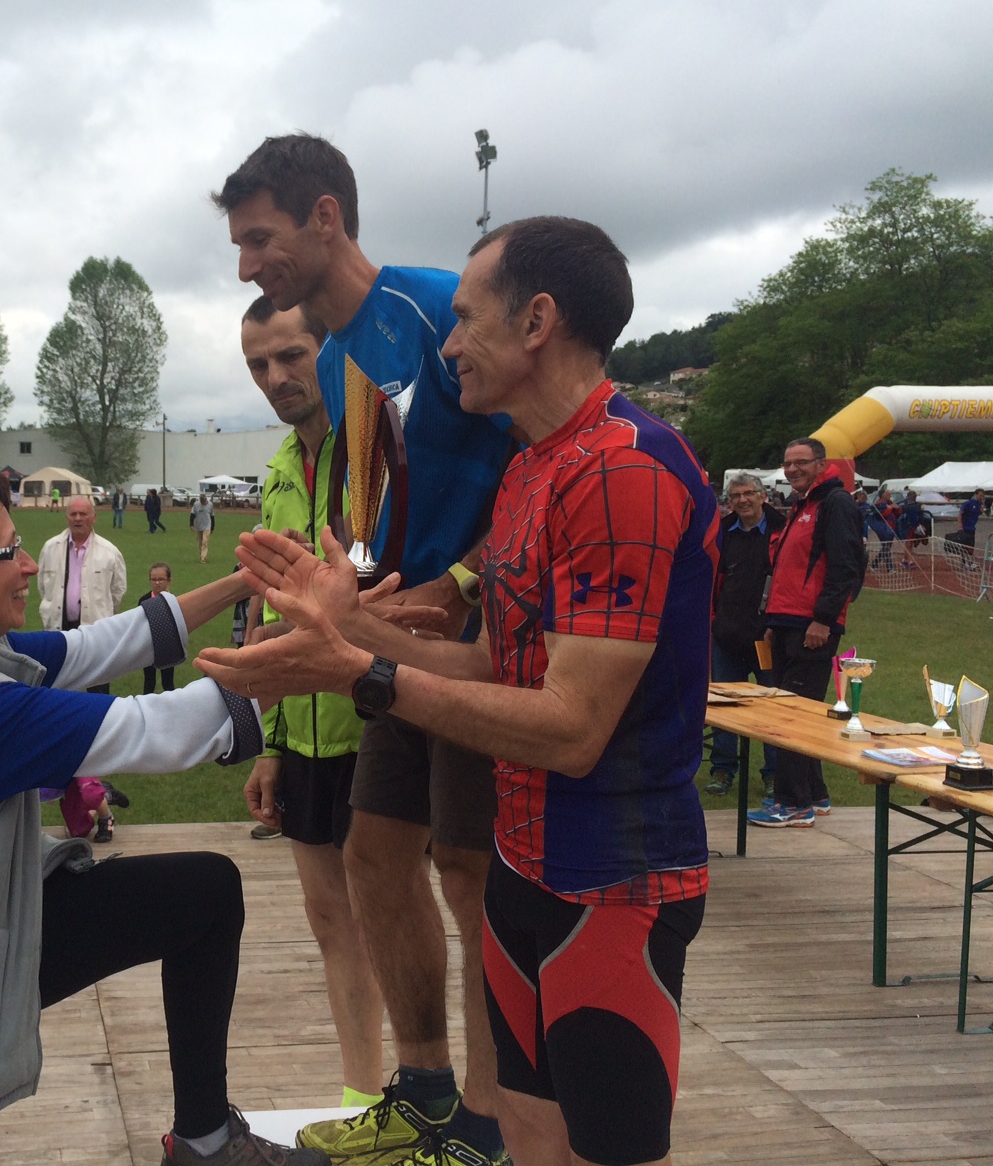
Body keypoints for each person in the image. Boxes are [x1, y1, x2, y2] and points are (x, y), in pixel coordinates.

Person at [199, 216, 717, 1166]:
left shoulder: (622, 469)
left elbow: (571, 729)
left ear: (538, 323)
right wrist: (350, 628)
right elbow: (494, 671)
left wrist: (359, 671)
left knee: (603, 1150)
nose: (446, 346)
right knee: (521, 1128)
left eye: (466, 319)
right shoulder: (532, 467)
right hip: (528, 867)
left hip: (610, 880)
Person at [0, 468, 322, 1166]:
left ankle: (203, 1142)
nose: (29, 564)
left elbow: (102, 645)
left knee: (203, 895)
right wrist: (331, 651)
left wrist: (249, 584)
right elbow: (161, 729)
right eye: (9, 551)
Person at [214, 132, 513, 1163]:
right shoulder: (341, 358)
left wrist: (462, 582)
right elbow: (380, 515)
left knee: (468, 873)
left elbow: (543, 463)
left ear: (327, 217)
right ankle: (423, 1094)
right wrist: (339, 588)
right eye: (241, 246)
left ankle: (487, 1126)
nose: (248, 266)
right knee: (375, 855)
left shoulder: (437, 310)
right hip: (398, 646)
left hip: (485, 648)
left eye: (260, 240)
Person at [237, 296, 386, 1111]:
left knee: (405, 922)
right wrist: (271, 744)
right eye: (258, 364)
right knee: (332, 922)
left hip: (384, 719)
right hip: (306, 735)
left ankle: (437, 1095)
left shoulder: (382, 452)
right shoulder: (277, 473)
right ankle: (361, 1101)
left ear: (331, 353)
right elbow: (273, 619)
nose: (275, 377)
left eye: (291, 355)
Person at [749, 437, 865, 828]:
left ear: (820, 463)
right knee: (801, 710)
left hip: (810, 624)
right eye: (787, 463)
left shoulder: (835, 503)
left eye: (801, 462)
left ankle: (793, 802)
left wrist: (824, 619)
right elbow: (787, 569)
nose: (792, 469)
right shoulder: (803, 504)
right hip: (787, 621)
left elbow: (845, 566)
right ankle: (814, 794)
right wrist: (772, 621)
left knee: (792, 715)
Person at [705, 473, 783, 796]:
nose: (742, 500)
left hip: (767, 638)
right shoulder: (722, 533)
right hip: (727, 636)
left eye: (748, 493)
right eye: (736, 496)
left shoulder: (782, 530)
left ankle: (774, 774)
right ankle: (723, 769)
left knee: (772, 708)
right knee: (725, 707)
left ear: (763, 496)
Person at [38, 495, 128, 640]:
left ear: (94, 518)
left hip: (95, 632)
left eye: (83, 514)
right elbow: (43, 587)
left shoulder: (110, 552)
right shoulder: (50, 548)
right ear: (67, 518)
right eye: (73, 514)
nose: (78, 518)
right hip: (57, 630)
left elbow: (118, 591)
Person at [140, 563, 177, 693]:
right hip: (149, 646)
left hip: (168, 646)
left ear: (169, 581)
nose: (157, 583)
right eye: (154, 579)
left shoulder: (175, 601)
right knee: (149, 680)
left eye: (161, 579)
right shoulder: (144, 601)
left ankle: (171, 704)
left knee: (168, 681)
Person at [191, 493, 216, 564]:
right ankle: (201, 555)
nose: (203, 502)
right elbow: (192, 515)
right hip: (199, 526)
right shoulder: (196, 505)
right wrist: (191, 524)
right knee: (200, 542)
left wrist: (212, 527)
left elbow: (212, 516)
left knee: (205, 542)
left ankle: (203, 558)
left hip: (207, 526)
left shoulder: (210, 505)